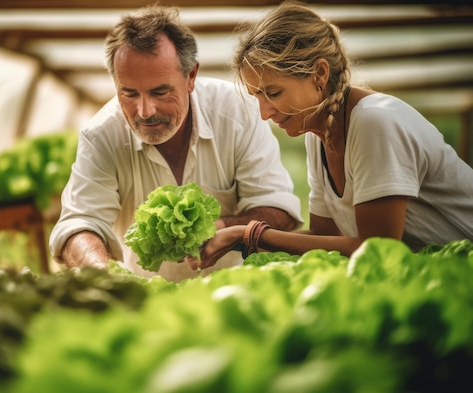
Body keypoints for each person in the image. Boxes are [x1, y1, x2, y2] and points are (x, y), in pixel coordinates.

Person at [194, 1, 473, 269]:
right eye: (257, 96)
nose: (264, 113)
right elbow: (323, 239)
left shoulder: (373, 121)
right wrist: (236, 238)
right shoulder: (317, 136)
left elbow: (378, 248)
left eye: (273, 93)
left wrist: (249, 235)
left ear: (319, 74)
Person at [49, 5, 303, 282]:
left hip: (234, 291)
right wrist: (100, 271)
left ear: (191, 76)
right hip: (145, 297)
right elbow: (79, 223)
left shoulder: (237, 111)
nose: (145, 111)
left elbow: (278, 208)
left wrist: (221, 227)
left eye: (160, 91)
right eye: (129, 93)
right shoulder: (101, 135)